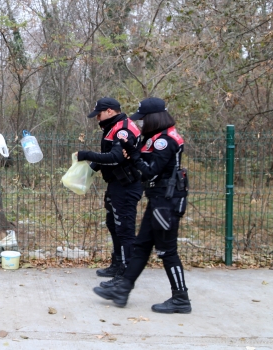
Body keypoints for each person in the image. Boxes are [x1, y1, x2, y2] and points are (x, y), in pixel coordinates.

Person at [93, 97, 191, 314]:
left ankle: (181, 298)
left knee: (167, 252)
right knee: (141, 246)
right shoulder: (158, 137)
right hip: (159, 200)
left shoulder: (164, 141)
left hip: (166, 202)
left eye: (144, 119)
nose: (141, 123)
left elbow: (149, 170)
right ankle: (123, 288)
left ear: (154, 118)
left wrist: (134, 153)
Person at [77, 97, 143, 287]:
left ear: (110, 111)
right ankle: (117, 263)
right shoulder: (113, 127)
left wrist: (86, 155)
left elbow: (116, 158)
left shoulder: (123, 129)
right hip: (116, 183)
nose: (97, 118)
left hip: (127, 185)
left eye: (99, 114)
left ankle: (125, 273)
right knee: (113, 224)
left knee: (125, 230)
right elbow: (108, 157)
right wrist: (89, 170)